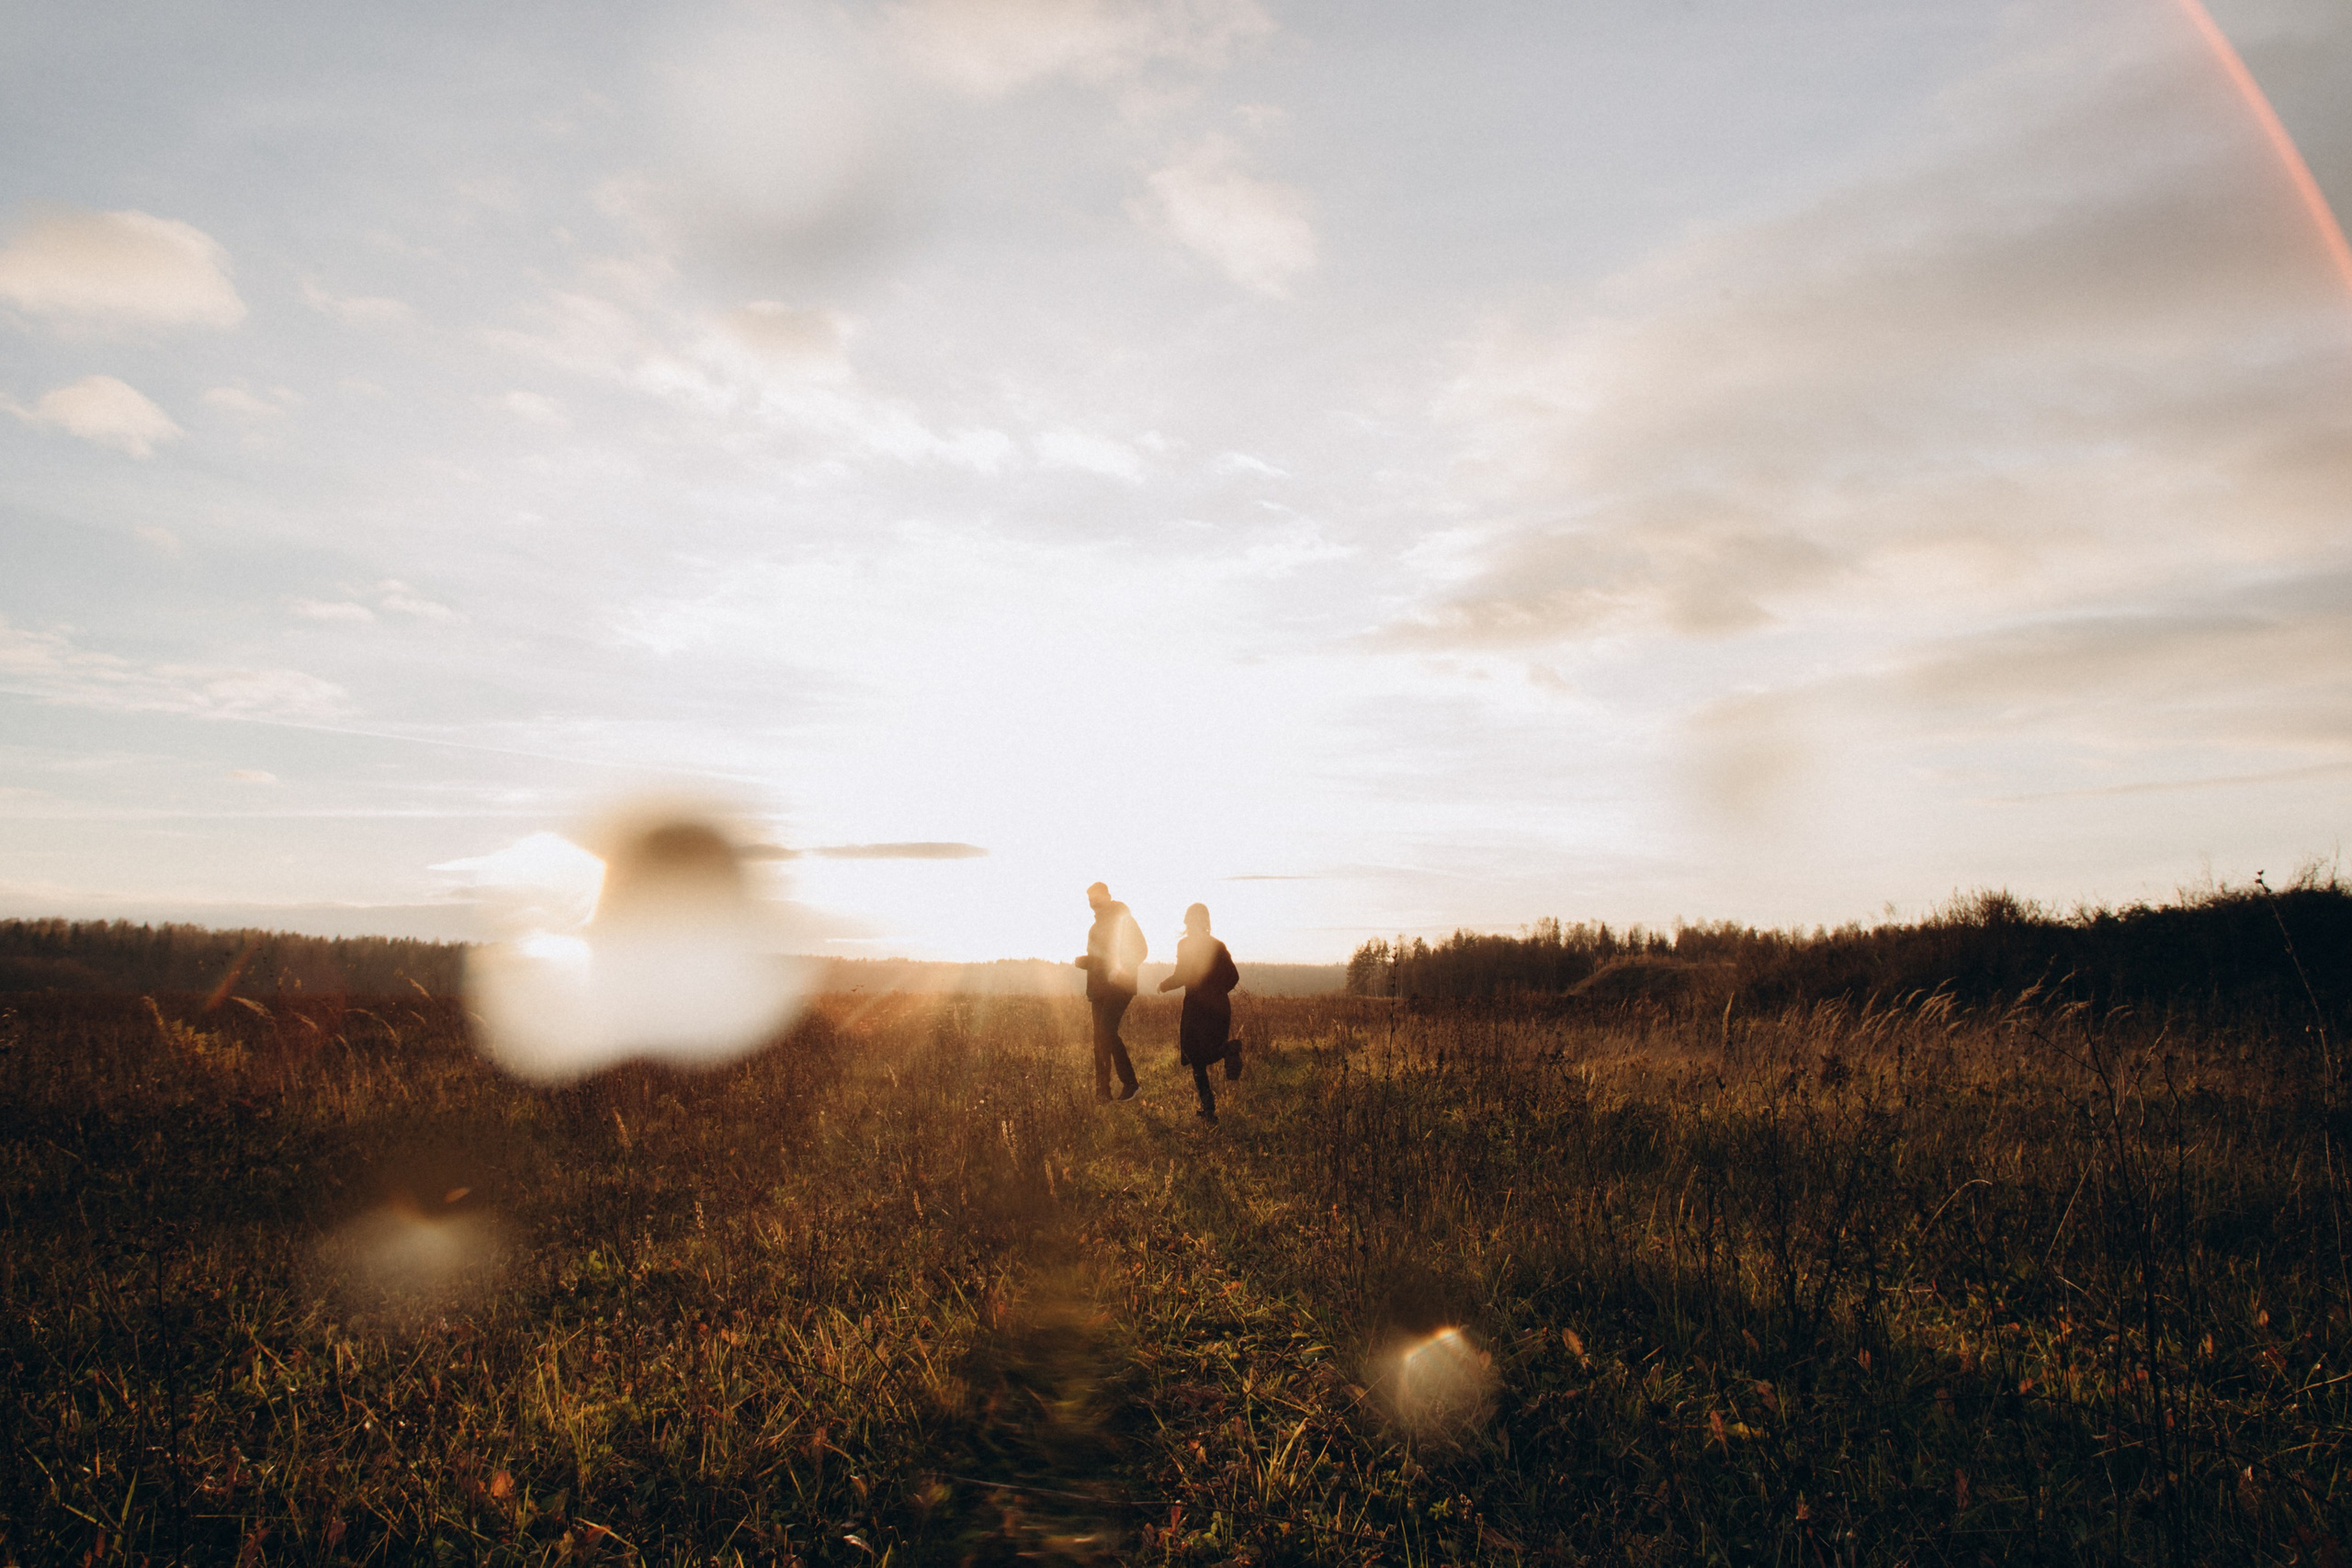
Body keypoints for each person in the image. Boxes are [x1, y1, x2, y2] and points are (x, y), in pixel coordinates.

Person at [1159, 902, 1241, 1124]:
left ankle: (1209, 1108)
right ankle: (1226, 1051)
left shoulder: (1185, 945)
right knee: (1205, 1052)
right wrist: (1218, 992)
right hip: (1220, 1009)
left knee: (1195, 1056)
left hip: (1197, 1008)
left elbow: (1183, 975)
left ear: (1187, 921)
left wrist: (1165, 985)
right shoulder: (1218, 945)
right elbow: (1234, 976)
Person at [1074, 882, 1146, 1102]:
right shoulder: (1095, 927)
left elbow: (1141, 951)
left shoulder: (1124, 920)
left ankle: (1131, 1084)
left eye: (1096, 897)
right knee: (1100, 1039)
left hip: (1119, 986)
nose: (1093, 902)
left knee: (1106, 1031)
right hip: (1098, 990)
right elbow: (1100, 960)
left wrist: (1120, 969)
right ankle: (1102, 1092)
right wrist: (1086, 962)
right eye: (1089, 899)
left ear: (1108, 896)